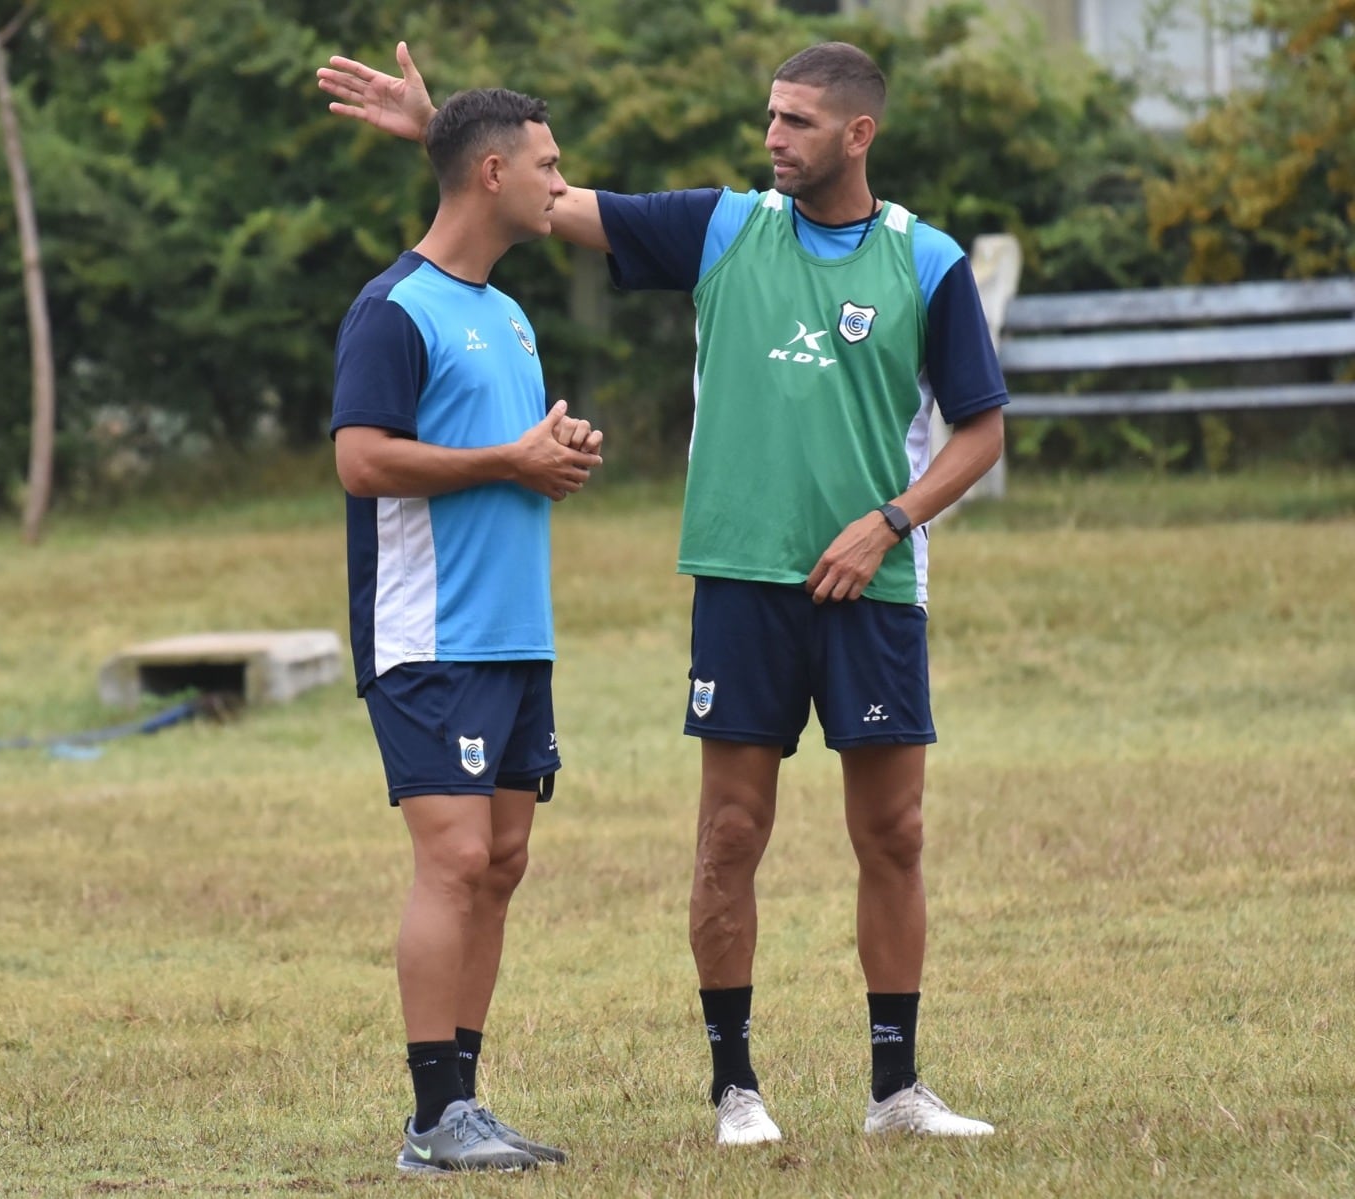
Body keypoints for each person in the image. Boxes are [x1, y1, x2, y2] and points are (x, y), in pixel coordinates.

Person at [320, 41, 1005, 1142]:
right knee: (729, 833)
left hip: (873, 586)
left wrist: (888, 522)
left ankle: (895, 1089)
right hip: (739, 583)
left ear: (858, 135)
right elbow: (531, 194)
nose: (774, 137)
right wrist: (438, 123)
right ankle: (735, 1086)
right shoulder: (723, 226)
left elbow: (982, 429)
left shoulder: (925, 262)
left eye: (798, 122)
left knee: (896, 833)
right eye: (769, 116)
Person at [330, 85, 605, 1173]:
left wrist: (554, 450)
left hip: (513, 634)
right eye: (544, 162)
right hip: (428, 637)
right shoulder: (393, 310)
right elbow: (361, 460)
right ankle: (430, 1119)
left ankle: (464, 1104)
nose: (557, 180)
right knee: (451, 857)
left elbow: (504, 455)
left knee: (498, 862)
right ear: (493, 174)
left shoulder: (506, 309)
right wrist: (509, 460)